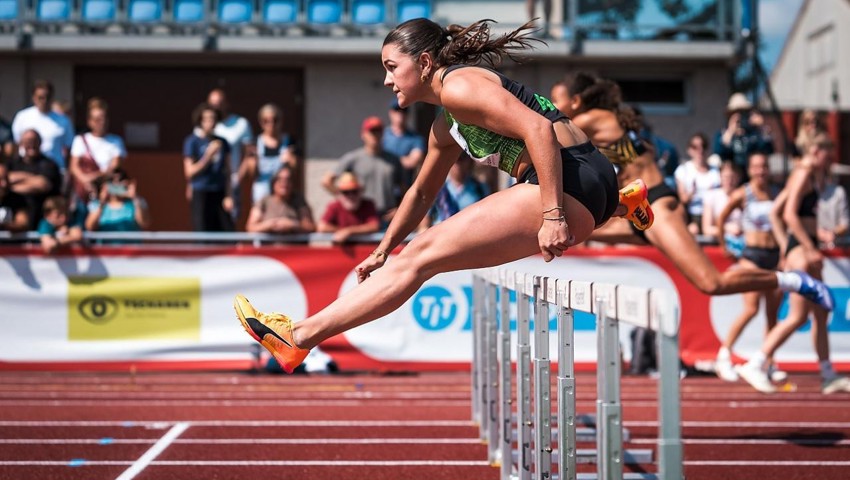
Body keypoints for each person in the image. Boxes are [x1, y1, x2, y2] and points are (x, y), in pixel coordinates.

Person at [233, 18, 650, 374]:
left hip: (569, 182)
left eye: (392, 67)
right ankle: (621, 204)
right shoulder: (445, 124)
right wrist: (382, 249)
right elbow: (420, 193)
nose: (385, 79)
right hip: (592, 180)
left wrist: (553, 215)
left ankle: (299, 336)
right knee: (409, 256)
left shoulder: (459, 87)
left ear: (425, 62)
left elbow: (539, 130)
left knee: (421, 257)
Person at [550, 72, 833, 310]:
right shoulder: (607, 121)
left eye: (555, 99)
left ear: (575, 101)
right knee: (573, 230)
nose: (552, 105)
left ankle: (793, 280)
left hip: (655, 207)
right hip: (635, 210)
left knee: (712, 283)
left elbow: (547, 128)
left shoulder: (590, 118)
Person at [736, 135, 850, 394]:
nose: (831, 160)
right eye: (828, 154)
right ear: (817, 150)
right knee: (798, 316)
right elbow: (788, 214)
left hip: (803, 247)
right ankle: (756, 363)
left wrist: (789, 246)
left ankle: (828, 373)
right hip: (803, 251)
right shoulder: (805, 171)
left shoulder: (809, 174)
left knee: (821, 311)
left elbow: (776, 212)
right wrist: (803, 248)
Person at [713, 153, 783, 383]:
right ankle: (724, 355)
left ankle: (767, 363)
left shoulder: (775, 192)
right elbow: (722, 217)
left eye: (763, 166)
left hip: (774, 256)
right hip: (752, 255)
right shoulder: (744, 193)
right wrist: (724, 246)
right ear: (750, 169)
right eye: (756, 166)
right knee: (751, 308)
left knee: (772, 314)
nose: (760, 171)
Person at [322, 116, 404, 224]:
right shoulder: (353, 158)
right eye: (371, 132)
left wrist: (400, 209)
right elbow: (327, 181)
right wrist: (345, 197)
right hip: (364, 216)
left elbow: (405, 188)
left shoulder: (393, 160)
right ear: (363, 134)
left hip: (387, 215)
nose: (375, 135)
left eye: (378, 131)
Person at [183, 103, 234, 232]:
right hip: (201, 191)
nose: (210, 122)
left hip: (219, 191)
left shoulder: (223, 142)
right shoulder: (192, 142)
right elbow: (189, 172)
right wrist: (207, 156)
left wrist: (229, 195)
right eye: (206, 119)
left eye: (213, 118)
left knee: (226, 230)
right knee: (202, 230)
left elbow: (228, 170)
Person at [69, 98, 126, 204]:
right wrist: (85, 181)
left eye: (104, 118)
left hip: (109, 191)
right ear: (89, 122)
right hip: (83, 193)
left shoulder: (116, 141)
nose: (102, 122)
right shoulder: (80, 140)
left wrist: (93, 178)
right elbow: (74, 167)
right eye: (97, 119)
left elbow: (115, 166)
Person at [207, 88, 253, 221]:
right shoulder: (204, 126)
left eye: (220, 103)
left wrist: (238, 177)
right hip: (210, 183)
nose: (217, 107)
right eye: (213, 104)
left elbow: (249, 154)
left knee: (230, 220)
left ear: (226, 103)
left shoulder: (241, 124)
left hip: (231, 182)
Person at [11, 79, 75, 171]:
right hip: (27, 169)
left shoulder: (63, 120)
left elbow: (69, 150)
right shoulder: (22, 117)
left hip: (55, 170)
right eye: (40, 97)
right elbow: (16, 146)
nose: (44, 101)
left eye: (47, 97)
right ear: (34, 98)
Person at [7, 129, 63, 230]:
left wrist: (11, 186)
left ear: (40, 142)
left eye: (34, 141)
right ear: (21, 143)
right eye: (28, 141)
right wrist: (32, 178)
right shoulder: (13, 163)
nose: (31, 144)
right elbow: (8, 178)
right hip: (18, 216)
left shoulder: (49, 164)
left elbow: (42, 185)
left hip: (43, 219)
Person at [247, 103, 299, 204]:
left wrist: (291, 159)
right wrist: (255, 160)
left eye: (275, 120)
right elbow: (251, 174)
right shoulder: (255, 142)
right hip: (262, 190)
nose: (271, 124)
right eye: (266, 121)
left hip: (283, 189)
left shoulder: (289, 141)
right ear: (261, 122)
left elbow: (296, 170)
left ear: (281, 121)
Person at [712, 93, 774, 176]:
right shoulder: (723, 134)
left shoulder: (754, 134)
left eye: (743, 112)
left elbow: (768, 150)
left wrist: (762, 128)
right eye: (736, 112)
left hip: (751, 178)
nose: (740, 116)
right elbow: (719, 151)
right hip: (733, 179)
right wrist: (731, 131)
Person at [424, 152, 489, 228]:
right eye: (455, 161)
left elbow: (487, 216)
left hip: (471, 235)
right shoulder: (438, 188)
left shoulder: (480, 188)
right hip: (442, 235)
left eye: (462, 159)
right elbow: (425, 219)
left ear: (469, 161)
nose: (458, 165)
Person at [245, 165, 315, 234]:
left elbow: (310, 227)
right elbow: (250, 227)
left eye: (288, 180)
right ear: (273, 183)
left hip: (293, 245)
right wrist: (270, 225)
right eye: (280, 179)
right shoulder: (264, 201)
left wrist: (292, 225)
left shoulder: (299, 201)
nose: (284, 183)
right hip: (269, 245)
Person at [85, 168, 150, 242]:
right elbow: (90, 227)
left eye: (120, 180)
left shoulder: (137, 202)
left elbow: (144, 223)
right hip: (105, 252)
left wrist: (135, 198)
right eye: (111, 181)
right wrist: (102, 202)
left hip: (132, 251)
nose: (116, 184)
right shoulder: (96, 204)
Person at [674, 133, 720, 235]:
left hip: (713, 214)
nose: (700, 150)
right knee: (692, 230)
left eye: (703, 146)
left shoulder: (716, 171)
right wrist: (692, 193)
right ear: (689, 149)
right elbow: (683, 199)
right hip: (693, 214)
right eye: (695, 147)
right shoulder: (683, 170)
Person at [317, 171, 380, 243]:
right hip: (341, 251)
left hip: (365, 250)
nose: (351, 196)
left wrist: (349, 231)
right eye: (346, 192)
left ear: (360, 191)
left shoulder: (368, 204)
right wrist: (343, 231)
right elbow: (322, 227)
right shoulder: (335, 206)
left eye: (354, 191)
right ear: (339, 193)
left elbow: (374, 226)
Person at [701, 160, 744, 255]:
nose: (729, 181)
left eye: (732, 177)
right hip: (718, 246)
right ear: (720, 177)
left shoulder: (744, 196)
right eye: (726, 177)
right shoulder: (711, 196)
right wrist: (726, 229)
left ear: (738, 178)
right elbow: (707, 229)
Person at [383, 99, 426, 188]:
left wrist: (388, 160)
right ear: (390, 113)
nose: (400, 115)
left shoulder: (416, 139)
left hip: (405, 187)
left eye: (404, 111)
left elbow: (412, 161)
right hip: (385, 186)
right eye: (397, 111)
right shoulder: (383, 136)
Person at [0, 162, 30, 232]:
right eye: (0, 179)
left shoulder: (17, 199)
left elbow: (22, 223)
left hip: (9, 242)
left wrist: (4, 225)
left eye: (6, 179)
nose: (4, 184)